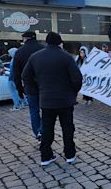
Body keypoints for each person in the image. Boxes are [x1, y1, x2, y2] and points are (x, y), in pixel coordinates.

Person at [22, 32, 82, 166]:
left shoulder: (35, 57)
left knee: (47, 129)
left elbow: (25, 76)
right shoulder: (66, 57)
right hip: (65, 100)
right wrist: (73, 93)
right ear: (59, 42)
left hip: (46, 100)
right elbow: (77, 78)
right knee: (67, 128)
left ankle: (45, 156)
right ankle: (70, 155)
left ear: (47, 42)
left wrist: (38, 89)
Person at [13, 31, 45, 142]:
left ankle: (38, 133)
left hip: (30, 87)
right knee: (46, 110)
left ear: (25, 38)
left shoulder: (19, 52)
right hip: (45, 86)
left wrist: (19, 90)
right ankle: (42, 130)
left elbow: (16, 74)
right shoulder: (43, 49)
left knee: (34, 111)